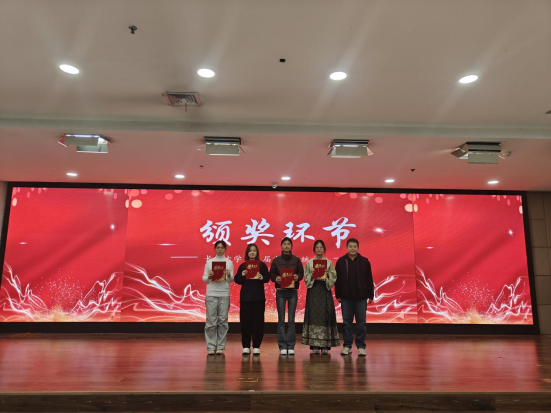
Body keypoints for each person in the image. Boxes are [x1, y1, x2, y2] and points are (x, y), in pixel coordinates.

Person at [334, 238, 374, 356]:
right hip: (346, 298)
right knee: (347, 323)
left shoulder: (364, 261)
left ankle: (361, 346)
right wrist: (338, 294)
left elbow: (369, 278)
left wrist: (370, 295)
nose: (352, 248)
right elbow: (337, 280)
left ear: (358, 248)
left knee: (361, 323)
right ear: (347, 248)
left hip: (361, 298)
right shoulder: (341, 261)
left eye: (354, 246)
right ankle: (347, 346)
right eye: (350, 246)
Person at [302, 240, 340, 355]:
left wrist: (328, 275)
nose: (319, 249)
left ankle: (325, 346)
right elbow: (306, 279)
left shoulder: (329, 263)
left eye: (321, 247)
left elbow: (334, 277)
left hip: (324, 292)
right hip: (313, 292)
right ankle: (314, 345)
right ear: (314, 249)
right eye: (317, 247)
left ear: (324, 249)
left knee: (325, 316)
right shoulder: (309, 263)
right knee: (314, 316)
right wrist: (311, 274)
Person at [234, 243, 271, 355]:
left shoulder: (262, 265)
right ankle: (246, 346)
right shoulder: (243, 266)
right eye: (250, 251)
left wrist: (261, 277)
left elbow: (267, 278)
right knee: (245, 323)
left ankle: (256, 346)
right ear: (247, 253)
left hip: (258, 298)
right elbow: (237, 280)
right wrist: (242, 275)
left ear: (257, 253)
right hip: (245, 298)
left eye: (254, 250)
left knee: (258, 323)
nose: (252, 252)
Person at [270, 237, 304, 355]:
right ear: (281, 246)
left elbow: (301, 273)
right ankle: (282, 346)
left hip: (293, 291)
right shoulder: (276, 260)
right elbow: (271, 274)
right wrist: (276, 278)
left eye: (288, 244)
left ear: (291, 246)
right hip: (280, 291)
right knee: (281, 319)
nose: (286, 246)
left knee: (291, 319)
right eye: (284, 244)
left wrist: (297, 277)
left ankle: (290, 345)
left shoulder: (296, 260)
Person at [202, 240, 234, 355]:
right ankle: (211, 346)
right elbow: (204, 279)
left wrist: (229, 275)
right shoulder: (209, 262)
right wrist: (209, 276)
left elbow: (231, 280)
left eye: (222, 247)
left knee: (223, 321)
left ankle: (220, 346)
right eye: (218, 247)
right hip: (211, 293)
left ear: (225, 249)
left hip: (224, 294)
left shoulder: (229, 262)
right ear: (215, 249)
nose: (220, 249)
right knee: (210, 322)